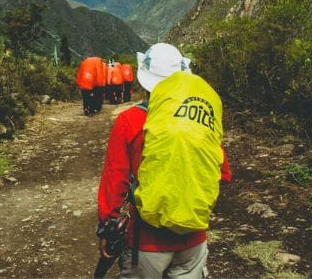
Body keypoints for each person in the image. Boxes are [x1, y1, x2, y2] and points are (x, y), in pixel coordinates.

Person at [96, 43, 231, 278]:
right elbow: (223, 174)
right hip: (193, 240)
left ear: (144, 80)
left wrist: (109, 228)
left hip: (145, 243)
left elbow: (115, 182)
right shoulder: (197, 118)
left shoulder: (129, 121)